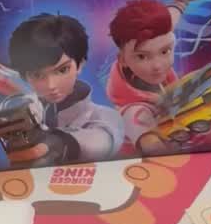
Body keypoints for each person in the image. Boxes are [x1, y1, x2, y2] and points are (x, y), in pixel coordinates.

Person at [107, 0, 206, 151]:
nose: (158, 66)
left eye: (165, 51)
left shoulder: (158, 32)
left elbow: (171, 18)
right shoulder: (135, 112)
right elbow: (152, 145)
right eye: (142, 57)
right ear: (122, 59)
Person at [8, 12, 124, 163]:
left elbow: (103, 140)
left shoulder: (105, 116)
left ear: (80, 64)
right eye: (37, 75)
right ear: (24, 76)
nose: (51, 85)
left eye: (62, 70)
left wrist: (62, 143)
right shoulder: (21, 110)